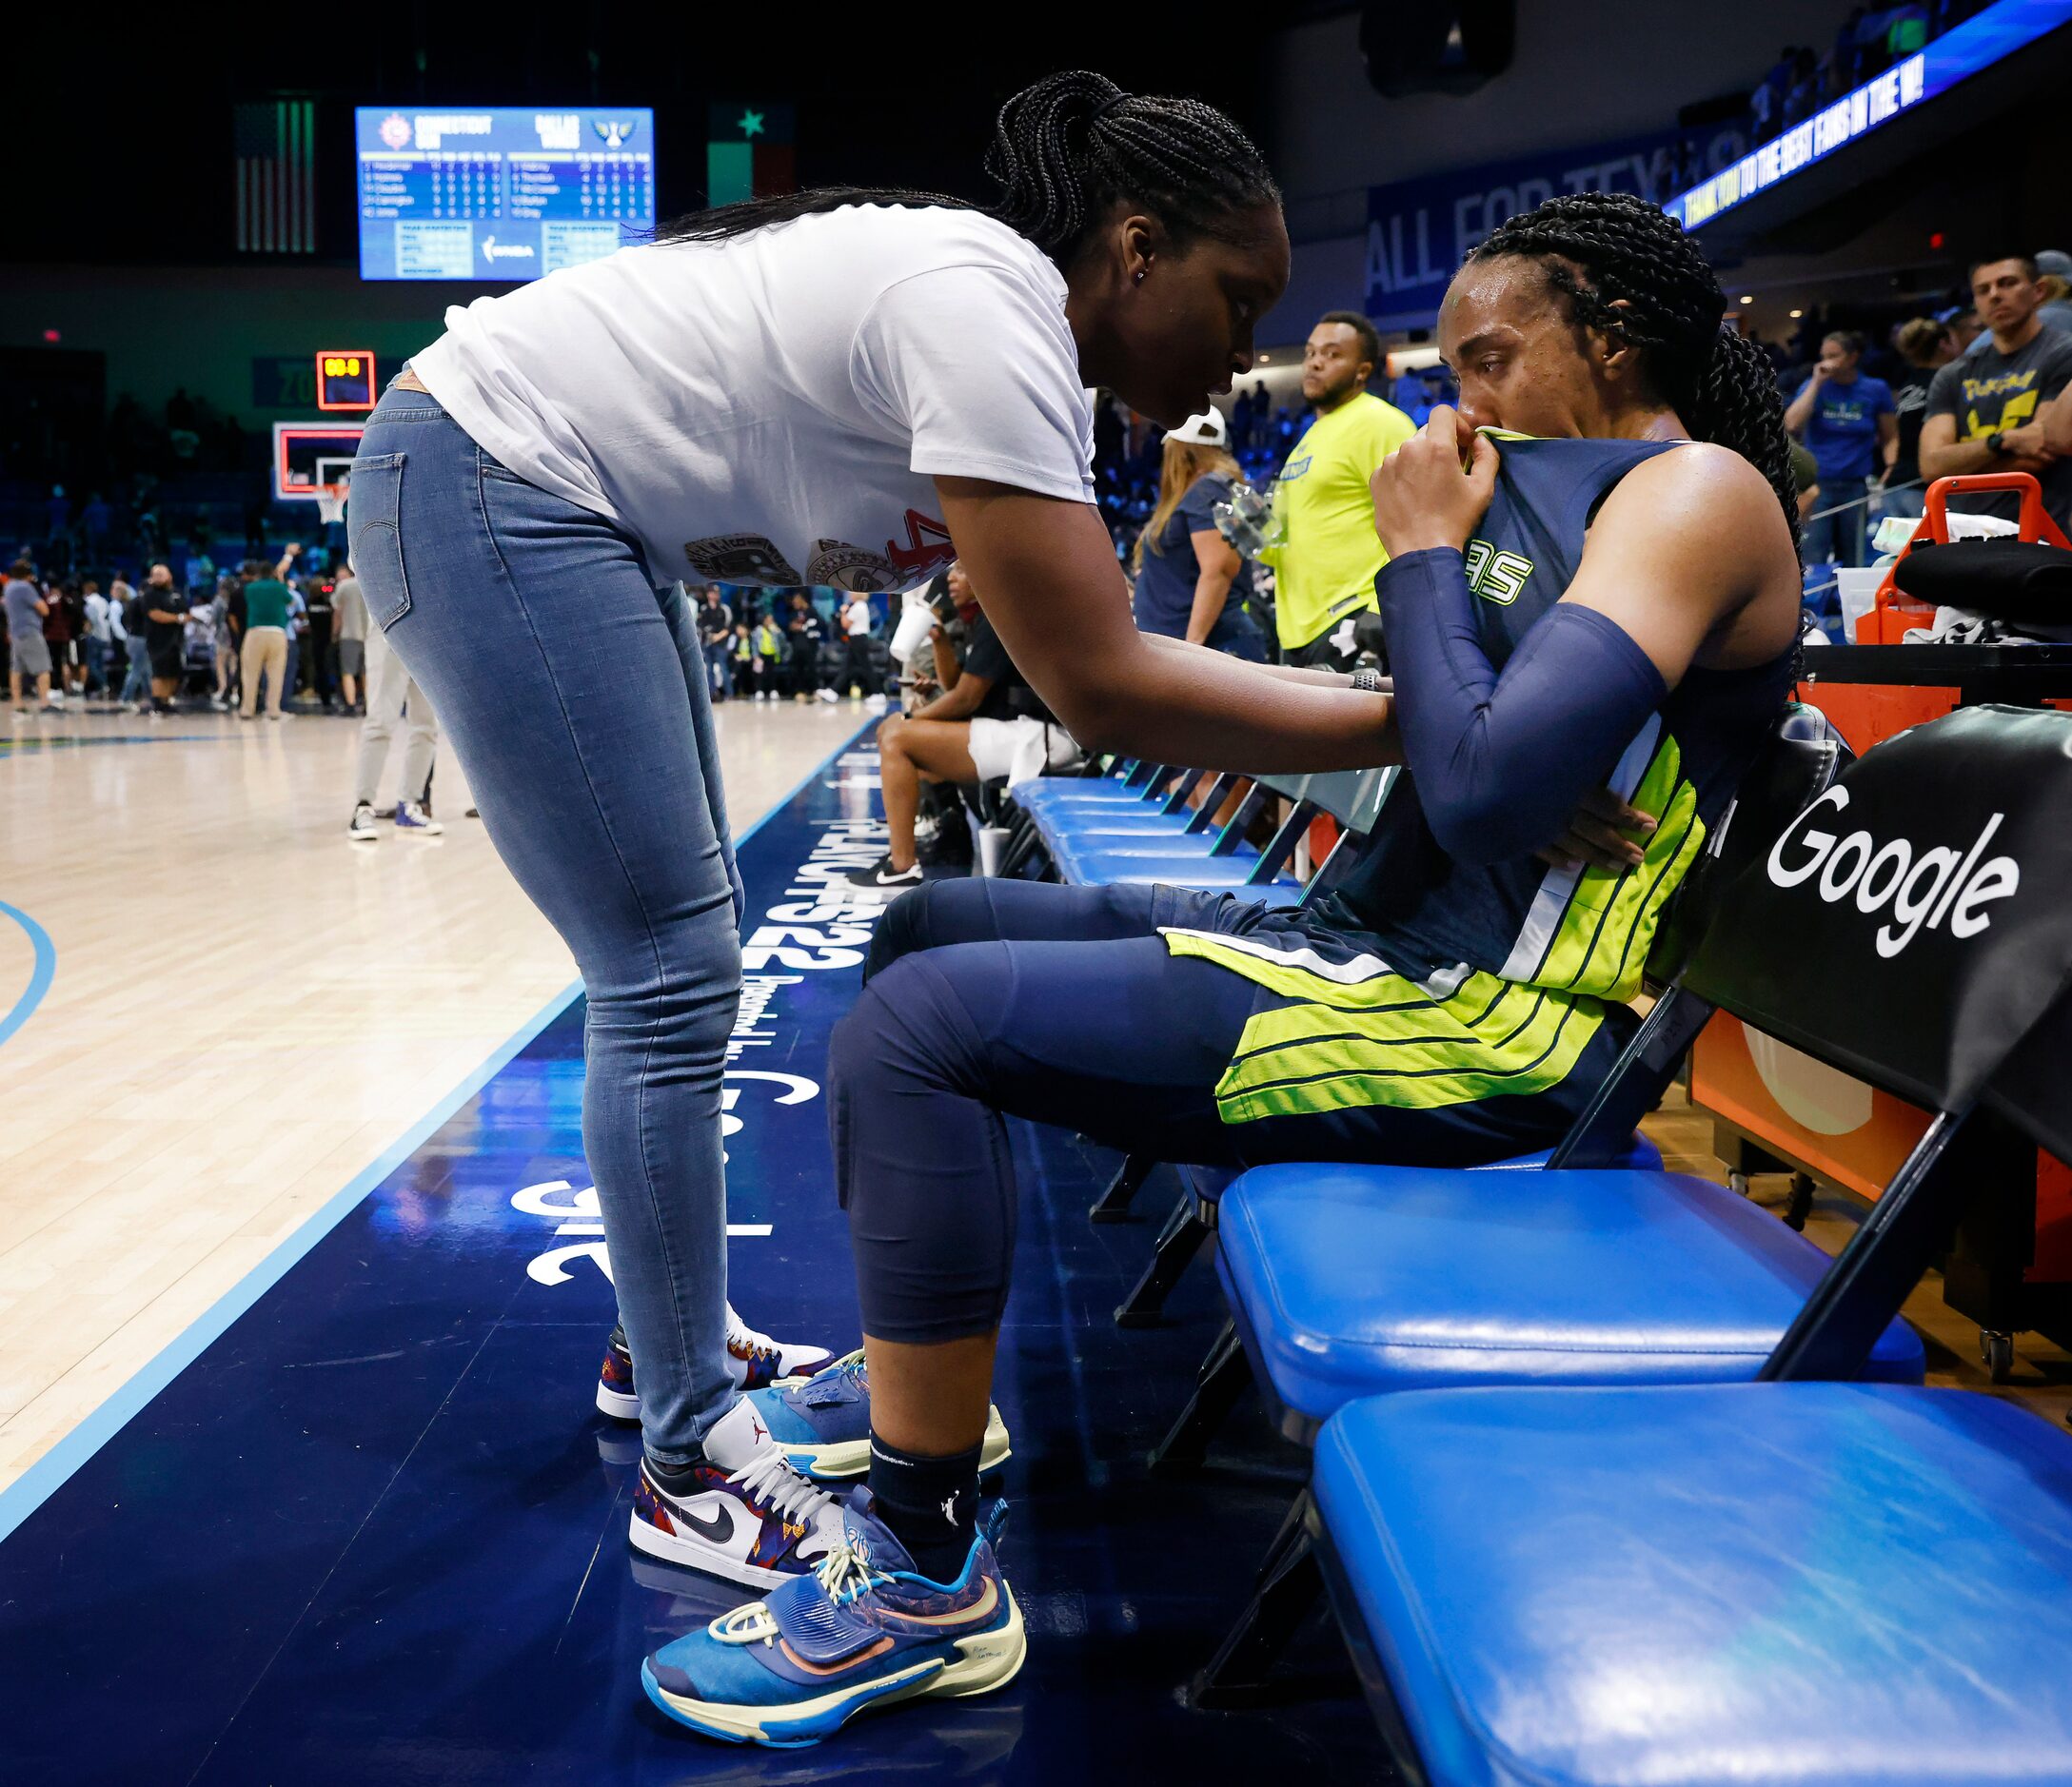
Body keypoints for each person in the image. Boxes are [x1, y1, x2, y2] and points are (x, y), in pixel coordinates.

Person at [351, 69, 1405, 1720]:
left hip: (566, 509)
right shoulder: (985, 303)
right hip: (492, 477)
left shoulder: (1027, 355)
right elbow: (1100, 682)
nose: (1238, 351)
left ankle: (661, 1347)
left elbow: (1085, 637)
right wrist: (1415, 722)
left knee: (680, 956)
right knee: (670, 972)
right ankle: (695, 1450)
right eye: (1236, 300)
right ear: (1131, 247)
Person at [798, 187, 1803, 1751]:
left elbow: (1474, 785)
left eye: (1490, 359)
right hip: (1366, 945)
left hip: (1498, 1020)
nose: (1460, 404)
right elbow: (1462, 749)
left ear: (1611, 334)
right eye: (1450, 365)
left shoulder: (1695, 493)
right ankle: (939, 1374)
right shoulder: (1532, 502)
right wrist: (1471, 705)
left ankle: (924, 1577)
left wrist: (1424, 577)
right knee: (924, 930)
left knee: (919, 1031)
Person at [849, 560, 1079, 890]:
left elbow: (965, 699)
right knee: (896, 731)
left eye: (961, 571)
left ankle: (902, 865)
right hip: (1017, 730)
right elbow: (957, 685)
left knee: (898, 737)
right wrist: (940, 642)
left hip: (1038, 736)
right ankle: (945, 826)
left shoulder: (1001, 617)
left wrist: (911, 720)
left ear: (986, 576)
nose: (951, 578)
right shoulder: (985, 617)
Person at [1255, 310, 1416, 669]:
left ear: (1362, 370)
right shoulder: (1309, 437)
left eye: (1331, 354)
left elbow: (1418, 518)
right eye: (1310, 353)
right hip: (1298, 626)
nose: (1314, 363)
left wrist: (1382, 606)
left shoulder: (1380, 423)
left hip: (1352, 619)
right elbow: (1297, 537)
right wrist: (1258, 538)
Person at [1921, 253, 2072, 536]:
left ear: (2038, 291)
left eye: (2007, 283)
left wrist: (1960, 466)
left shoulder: (2063, 354)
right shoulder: (1955, 373)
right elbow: (1931, 465)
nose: (1995, 295)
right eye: (1983, 290)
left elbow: (2042, 450)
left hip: (2042, 533)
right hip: (1966, 534)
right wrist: (2003, 441)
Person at [1129, 406, 1265, 660]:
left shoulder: (1208, 489)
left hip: (1208, 647)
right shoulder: (1209, 488)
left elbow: (1220, 569)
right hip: (1193, 644)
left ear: (1179, 449)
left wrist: (1192, 651)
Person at [1784, 330, 1895, 568]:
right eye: (1823, 356)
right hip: (1818, 486)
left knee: (1855, 558)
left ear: (1852, 357)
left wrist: (1891, 467)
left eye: (1834, 356)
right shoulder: (1815, 385)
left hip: (1855, 485)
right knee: (1813, 557)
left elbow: (1890, 435)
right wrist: (1816, 382)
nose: (1826, 362)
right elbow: (1791, 423)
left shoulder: (1875, 389)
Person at [347, 616, 444, 840]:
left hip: (427, 633)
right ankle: (362, 807)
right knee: (380, 722)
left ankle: (409, 805)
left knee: (427, 725)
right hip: (388, 625)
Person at [1881, 316, 1957, 522]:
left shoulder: (1906, 385)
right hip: (1924, 487)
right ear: (1943, 344)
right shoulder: (1946, 383)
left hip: (1896, 484)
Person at [237, 547, 300, 721]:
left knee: (250, 674)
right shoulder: (279, 588)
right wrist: (280, 580)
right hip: (277, 633)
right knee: (276, 674)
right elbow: (292, 601)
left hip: (255, 632)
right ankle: (273, 710)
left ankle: (247, 710)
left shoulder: (251, 588)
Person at [6, 560, 57, 715]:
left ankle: (18, 704)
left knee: (17, 669)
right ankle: (44, 703)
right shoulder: (25, 588)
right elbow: (44, 609)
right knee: (43, 668)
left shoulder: (8, 587)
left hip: (15, 633)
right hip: (30, 632)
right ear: (27, 575)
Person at [140, 561, 188, 717]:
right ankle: (157, 702)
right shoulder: (150, 595)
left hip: (176, 640)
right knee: (159, 672)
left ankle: (167, 700)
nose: (158, 578)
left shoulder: (177, 593)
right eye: (155, 575)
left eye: (161, 574)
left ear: (170, 576)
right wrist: (177, 618)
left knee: (173, 673)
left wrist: (182, 618)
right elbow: (155, 615)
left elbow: (186, 613)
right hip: (157, 640)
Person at [333, 560, 368, 713]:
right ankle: (369, 705)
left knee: (347, 671)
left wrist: (334, 633)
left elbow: (337, 612)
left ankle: (351, 704)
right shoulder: (367, 584)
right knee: (366, 672)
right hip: (368, 635)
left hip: (349, 634)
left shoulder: (343, 587)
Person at [781, 590, 826, 701]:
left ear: (802, 599)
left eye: (796, 599)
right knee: (798, 669)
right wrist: (799, 627)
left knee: (812, 668)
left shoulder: (812, 611)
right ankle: (799, 691)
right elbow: (791, 626)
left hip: (810, 645)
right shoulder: (793, 613)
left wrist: (802, 627)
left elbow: (819, 625)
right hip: (797, 645)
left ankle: (815, 690)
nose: (794, 602)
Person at [838, 589, 876, 697]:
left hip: (858, 638)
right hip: (857, 639)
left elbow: (845, 624)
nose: (850, 596)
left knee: (866, 667)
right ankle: (833, 690)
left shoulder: (857, 606)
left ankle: (878, 693)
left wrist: (843, 612)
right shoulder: (862, 605)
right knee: (846, 666)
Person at [698, 585, 734, 698]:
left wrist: (718, 636)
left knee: (723, 667)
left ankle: (729, 694)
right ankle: (712, 694)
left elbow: (729, 627)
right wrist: (709, 636)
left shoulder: (724, 609)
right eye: (712, 592)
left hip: (721, 643)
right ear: (708, 594)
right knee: (709, 669)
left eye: (717, 593)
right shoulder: (703, 609)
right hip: (707, 643)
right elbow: (699, 626)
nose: (715, 594)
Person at [81, 577, 112, 698]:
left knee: (92, 664)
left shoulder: (89, 601)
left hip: (95, 635)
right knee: (100, 664)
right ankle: (102, 687)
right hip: (105, 636)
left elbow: (91, 620)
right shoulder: (103, 600)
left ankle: (104, 685)